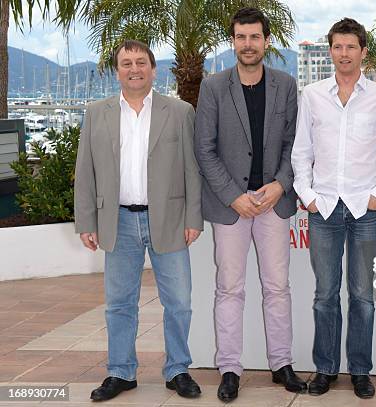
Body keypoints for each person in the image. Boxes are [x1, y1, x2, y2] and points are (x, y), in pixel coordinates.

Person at [74, 40, 203, 401]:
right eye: (126, 62)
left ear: (153, 68)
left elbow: (192, 170)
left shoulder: (179, 112)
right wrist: (87, 220)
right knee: (119, 303)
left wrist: (194, 216)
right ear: (117, 70)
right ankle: (120, 372)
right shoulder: (96, 112)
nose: (134, 68)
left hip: (171, 220)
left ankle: (178, 369)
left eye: (141, 62)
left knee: (179, 302)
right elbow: (85, 172)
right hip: (118, 221)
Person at [194, 7, 306, 403]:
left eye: (254, 37)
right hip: (231, 206)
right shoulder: (213, 87)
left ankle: (282, 364)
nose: (248, 44)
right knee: (229, 288)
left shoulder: (286, 85)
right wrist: (233, 196)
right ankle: (229, 369)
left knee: (278, 287)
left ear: (266, 41)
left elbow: (296, 144)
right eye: (241, 37)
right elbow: (204, 150)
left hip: (273, 201)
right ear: (233, 41)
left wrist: (280, 184)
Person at [292, 17, 376, 400]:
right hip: (322, 209)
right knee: (325, 295)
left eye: (350, 47)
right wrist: (308, 196)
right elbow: (300, 153)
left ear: (363, 51)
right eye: (337, 47)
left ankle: (359, 370)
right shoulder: (312, 96)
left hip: (364, 209)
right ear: (330, 50)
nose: (343, 53)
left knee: (362, 296)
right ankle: (325, 369)